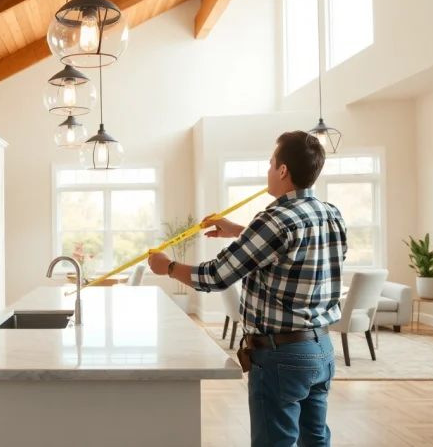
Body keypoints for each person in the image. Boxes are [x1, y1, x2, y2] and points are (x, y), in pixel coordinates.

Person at [148, 130, 347, 447]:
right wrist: (238, 231)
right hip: (320, 350)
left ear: (283, 170)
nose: (268, 171)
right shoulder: (330, 213)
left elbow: (215, 276)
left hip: (281, 355)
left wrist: (167, 267)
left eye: (271, 164)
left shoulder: (274, 218)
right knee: (316, 440)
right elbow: (293, 250)